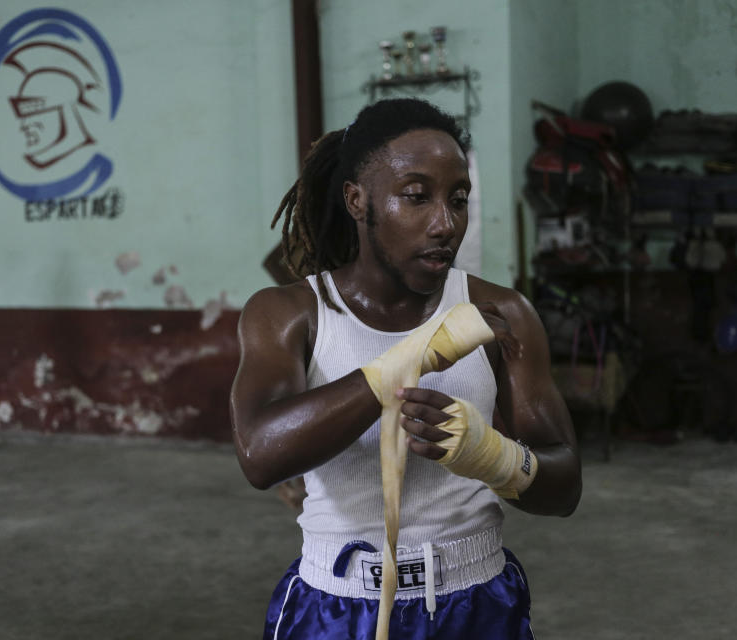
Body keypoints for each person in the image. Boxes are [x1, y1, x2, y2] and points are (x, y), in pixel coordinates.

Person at [230, 99, 581, 639]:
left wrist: (492, 456)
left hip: (476, 600)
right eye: (416, 197)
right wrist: (406, 361)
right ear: (357, 199)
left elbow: (565, 486)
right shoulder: (289, 314)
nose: (445, 223)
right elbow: (259, 455)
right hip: (336, 603)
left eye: (458, 199)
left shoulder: (502, 315)